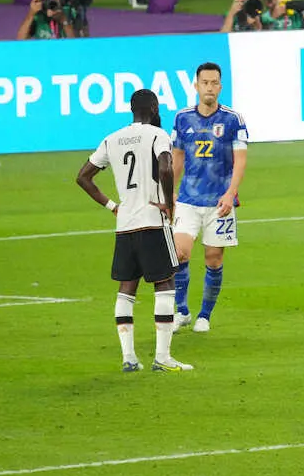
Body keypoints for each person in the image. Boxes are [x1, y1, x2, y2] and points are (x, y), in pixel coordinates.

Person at [75, 89, 190, 372]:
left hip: (124, 223)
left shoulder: (111, 138)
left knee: (127, 288)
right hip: (152, 220)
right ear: (153, 108)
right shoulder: (157, 134)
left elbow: (83, 177)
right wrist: (168, 203)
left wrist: (112, 206)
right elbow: (165, 169)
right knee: (164, 284)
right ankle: (163, 358)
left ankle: (129, 358)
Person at [169, 62, 248, 333]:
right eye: (205, 83)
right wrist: (170, 190)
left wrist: (230, 193)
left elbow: (240, 161)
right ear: (196, 85)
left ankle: (205, 315)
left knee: (213, 259)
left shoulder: (232, 120)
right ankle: (182, 311)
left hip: (219, 202)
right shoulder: (182, 118)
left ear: (220, 86)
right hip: (188, 200)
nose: (210, 88)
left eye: (215, 83)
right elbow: (177, 157)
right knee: (179, 254)